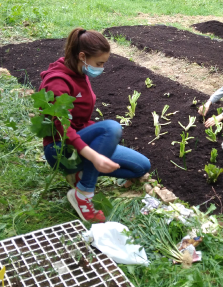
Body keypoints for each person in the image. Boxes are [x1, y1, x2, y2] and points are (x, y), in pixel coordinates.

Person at [39, 28, 151, 223]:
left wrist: (102, 145)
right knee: (112, 128)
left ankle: (81, 173)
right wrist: (95, 155)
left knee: (141, 166)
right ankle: (83, 192)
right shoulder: (57, 82)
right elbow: (63, 128)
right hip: (59, 148)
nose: (101, 68)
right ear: (82, 56)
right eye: (99, 63)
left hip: (80, 141)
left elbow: (81, 122)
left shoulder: (79, 73)